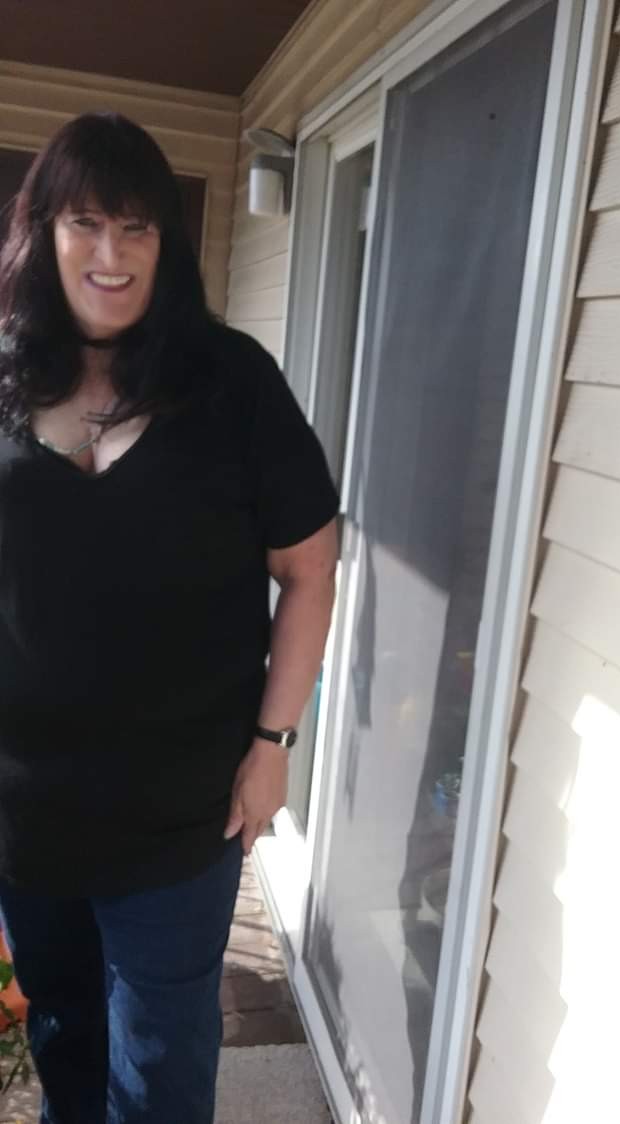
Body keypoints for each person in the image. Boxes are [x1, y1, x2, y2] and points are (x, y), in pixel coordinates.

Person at [0, 112, 338, 1123]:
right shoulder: (6, 374)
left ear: (165, 244)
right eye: (85, 222)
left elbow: (310, 571)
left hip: (183, 810)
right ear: (44, 234)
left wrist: (274, 743)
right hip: (25, 811)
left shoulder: (232, 381)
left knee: (162, 1057)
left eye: (136, 226)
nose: (110, 253)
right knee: (64, 1025)